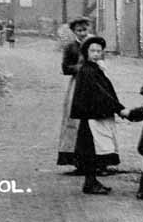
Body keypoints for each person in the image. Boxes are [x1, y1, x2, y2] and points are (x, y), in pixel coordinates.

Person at [69, 35, 130, 194]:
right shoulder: (89, 70)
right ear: (86, 52)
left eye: (99, 51)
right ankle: (90, 183)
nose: (96, 53)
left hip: (94, 114)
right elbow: (101, 93)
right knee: (91, 150)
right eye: (92, 51)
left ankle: (91, 181)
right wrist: (119, 108)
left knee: (91, 150)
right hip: (91, 115)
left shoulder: (94, 68)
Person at [56, 16, 91, 172]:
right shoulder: (71, 47)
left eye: (84, 29)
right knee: (74, 119)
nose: (82, 33)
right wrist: (79, 67)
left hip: (93, 83)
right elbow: (65, 68)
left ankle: (98, 160)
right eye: (79, 30)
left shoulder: (94, 45)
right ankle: (77, 160)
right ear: (74, 31)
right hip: (77, 84)